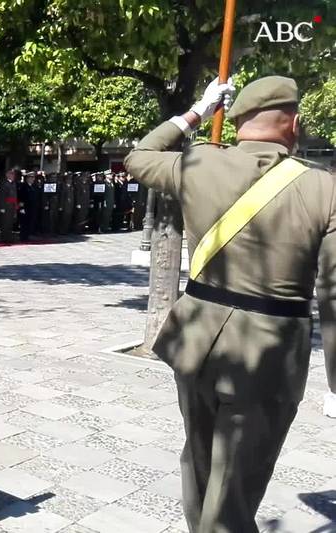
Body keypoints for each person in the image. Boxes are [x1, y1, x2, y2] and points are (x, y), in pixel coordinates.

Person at [124, 75, 336, 533]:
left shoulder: (199, 162)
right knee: (235, 490)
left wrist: (195, 111)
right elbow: (334, 292)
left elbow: (139, 156)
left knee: (199, 467)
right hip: (268, 354)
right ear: (294, 123)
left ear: (236, 121)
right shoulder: (325, 188)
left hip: (197, 339)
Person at [0, 168, 19, 243]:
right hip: (6, 205)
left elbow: (15, 195)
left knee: (10, 222)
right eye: (10, 174)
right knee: (5, 223)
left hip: (12, 205)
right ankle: (4, 238)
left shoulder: (13, 183)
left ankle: (9, 237)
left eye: (13, 174)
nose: (12, 175)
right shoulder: (4, 183)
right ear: (7, 175)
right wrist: (2, 207)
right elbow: (2, 196)